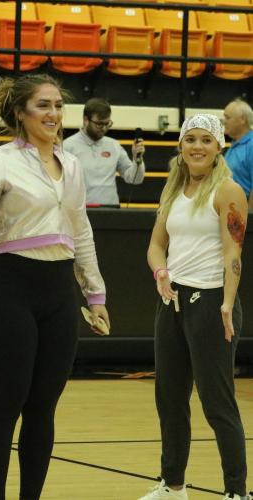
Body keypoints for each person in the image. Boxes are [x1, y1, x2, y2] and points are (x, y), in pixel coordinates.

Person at [0, 74, 110, 500]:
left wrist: (94, 294)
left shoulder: (73, 164)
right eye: (43, 106)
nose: (54, 114)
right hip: (10, 290)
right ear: (20, 113)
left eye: (58, 106)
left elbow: (81, 230)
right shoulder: (1, 161)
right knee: (6, 406)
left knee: (43, 409)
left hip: (60, 293)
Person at [141, 114, 250, 500]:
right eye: (191, 140)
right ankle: (173, 486)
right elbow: (156, 245)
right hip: (172, 303)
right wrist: (160, 272)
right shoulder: (171, 190)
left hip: (211, 304)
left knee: (217, 402)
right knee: (169, 399)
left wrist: (227, 302)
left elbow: (233, 251)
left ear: (219, 145)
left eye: (206, 140)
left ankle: (236, 492)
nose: (198, 147)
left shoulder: (228, 191)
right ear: (181, 146)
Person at [63, 97, 145, 206]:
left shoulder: (114, 145)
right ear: (86, 120)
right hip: (80, 212)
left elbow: (135, 179)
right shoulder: (67, 146)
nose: (104, 128)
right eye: (99, 124)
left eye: (107, 124)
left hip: (111, 211)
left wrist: (137, 159)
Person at [223, 98, 253, 208]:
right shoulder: (235, 143)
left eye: (228, 117)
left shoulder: (251, 145)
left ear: (242, 120)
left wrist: (249, 220)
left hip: (244, 211)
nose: (224, 121)